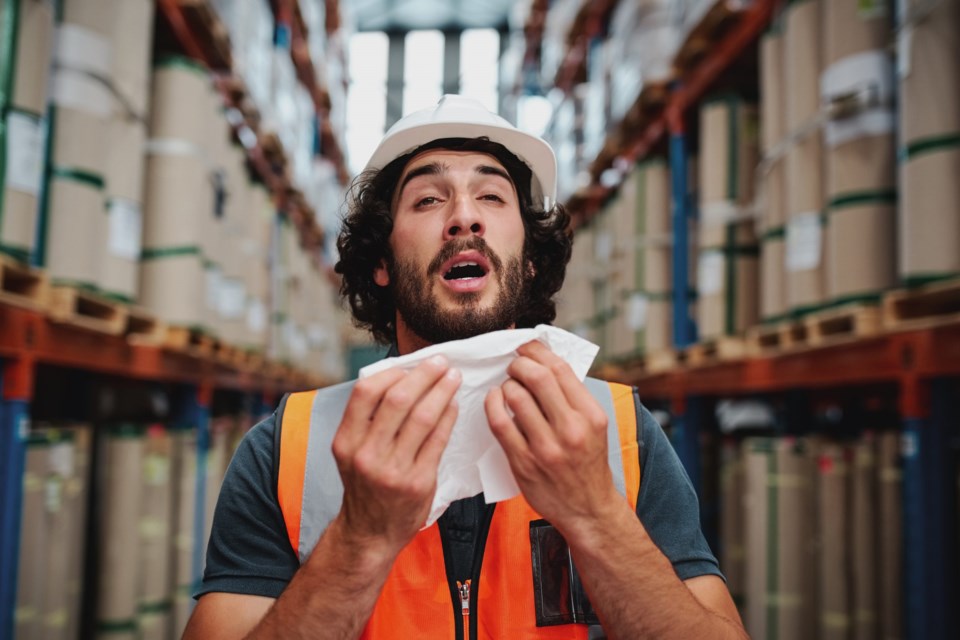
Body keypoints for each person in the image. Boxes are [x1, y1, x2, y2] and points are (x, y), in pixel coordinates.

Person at [183, 95, 746, 639]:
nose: (464, 217)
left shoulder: (620, 434)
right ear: (380, 263)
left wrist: (596, 515)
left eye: (493, 197)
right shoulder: (288, 449)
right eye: (428, 200)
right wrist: (360, 539)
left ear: (528, 262)